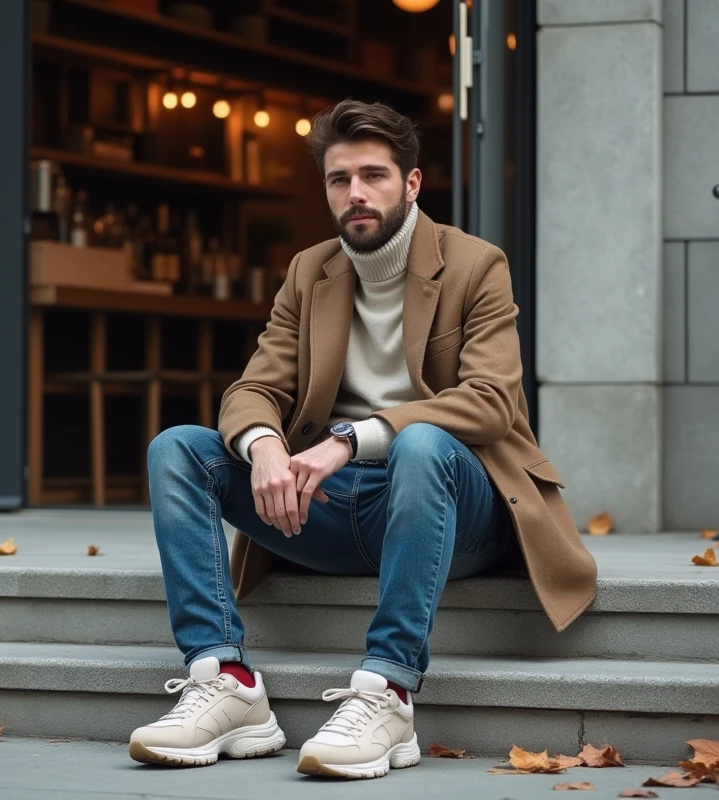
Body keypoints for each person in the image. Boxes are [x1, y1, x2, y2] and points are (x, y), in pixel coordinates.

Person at [130, 99, 597, 780]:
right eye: (339, 178)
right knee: (177, 448)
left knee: (422, 443)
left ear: (411, 183)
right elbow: (254, 387)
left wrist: (350, 439)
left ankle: (388, 692)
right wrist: (264, 447)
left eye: (374, 175)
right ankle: (226, 681)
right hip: (330, 506)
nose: (356, 193)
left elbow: (491, 402)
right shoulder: (309, 271)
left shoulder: (475, 265)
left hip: (453, 506)